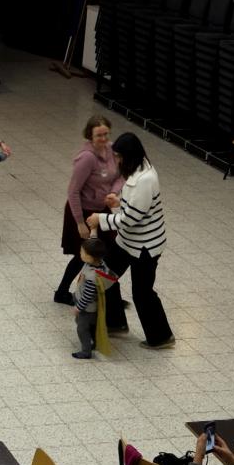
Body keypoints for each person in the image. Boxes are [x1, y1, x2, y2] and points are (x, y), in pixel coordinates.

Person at [86, 133, 174, 349]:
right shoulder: (138, 170)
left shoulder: (145, 179)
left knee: (142, 293)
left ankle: (161, 336)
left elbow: (132, 219)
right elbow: (133, 208)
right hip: (127, 241)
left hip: (145, 247)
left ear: (129, 156)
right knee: (105, 276)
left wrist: (101, 218)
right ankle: (114, 322)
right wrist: (117, 203)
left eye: (118, 156)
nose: (116, 160)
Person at [55, 116, 124, 308]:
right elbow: (73, 191)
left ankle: (105, 294)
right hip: (82, 211)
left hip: (101, 210)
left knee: (109, 251)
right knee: (83, 255)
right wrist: (79, 223)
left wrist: (113, 191)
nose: (103, 139)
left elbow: (121, 175)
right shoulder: (86, 158)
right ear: (90, 136)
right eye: (98, 135)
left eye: (105, 134)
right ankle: (62, 292)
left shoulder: (111, 150)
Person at [70, 238, 115, 360]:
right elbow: (93, 239)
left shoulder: (92, 276)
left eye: (82, 252)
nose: (80, 253)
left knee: (82, 328)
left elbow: (88, 295)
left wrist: (78, 307)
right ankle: (95, 342)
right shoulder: (100, 263)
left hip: (86, 308)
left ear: (90, 257)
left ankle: (86, 351)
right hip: (90, 306)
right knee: (92, 325)